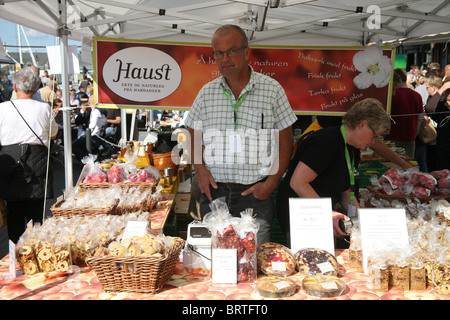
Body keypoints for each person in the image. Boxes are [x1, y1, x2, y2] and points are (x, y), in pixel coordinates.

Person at [184, 24, 297, 246]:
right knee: (214, 262)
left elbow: (286, 143)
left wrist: (271, 183)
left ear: (246, 52)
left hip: (256, 196)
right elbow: (192, 133)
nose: (225, 58)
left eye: (231, 51)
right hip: (214, 195)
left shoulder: (272, 90)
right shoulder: (207, 93)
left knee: (255, 264)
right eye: (219, 53)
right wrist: (201, 171)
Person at [277, 98, 391, 247]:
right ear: (363, 124)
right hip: (303, 216)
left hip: (321, 213)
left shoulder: (352, 147)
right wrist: (326, 213)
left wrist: (362, 221)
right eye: (374, 135)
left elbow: (345, 191)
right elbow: (298, 182)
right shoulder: (326, 142)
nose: (374, 142)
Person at [0, 67, 58, 243]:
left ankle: (15, 259)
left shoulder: (2, 108)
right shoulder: (45, 108)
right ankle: (38, 255)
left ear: (16, 88)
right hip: (37, 163)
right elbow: (53, 134)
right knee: (37, 216)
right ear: (35, 88)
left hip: (11, 165)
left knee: (14, 215)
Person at [384, 68, 422, 158]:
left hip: (391, 138)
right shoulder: (417, 96)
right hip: (409, 138)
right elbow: (418, 119)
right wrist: (414, 134)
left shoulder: (391, 95)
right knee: (407, 166)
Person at [425, 76, 450, 170]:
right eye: (448, 91)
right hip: (444, 151)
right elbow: (429, 109)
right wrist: (443, 88)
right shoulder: (441, 105)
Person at [72, 95, 107, 161]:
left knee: (73, 145)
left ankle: (87, 160)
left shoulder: (95, 111)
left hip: (93, 136)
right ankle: (86, 159)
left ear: (89, 102)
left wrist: (87, 134)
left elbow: (92, 126)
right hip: (97, 135)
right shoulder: (101, 110)